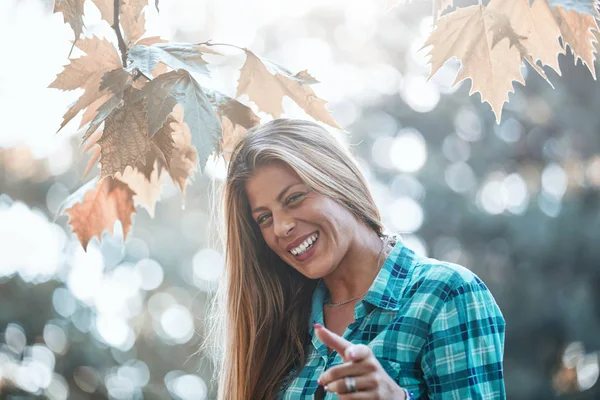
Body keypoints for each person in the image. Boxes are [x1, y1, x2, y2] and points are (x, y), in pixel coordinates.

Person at [202, 118, 506, 399]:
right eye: (265, 218)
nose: (281, 227)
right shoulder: (280, 323)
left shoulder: (444, 293)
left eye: (294, 198)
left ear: (339, 180)